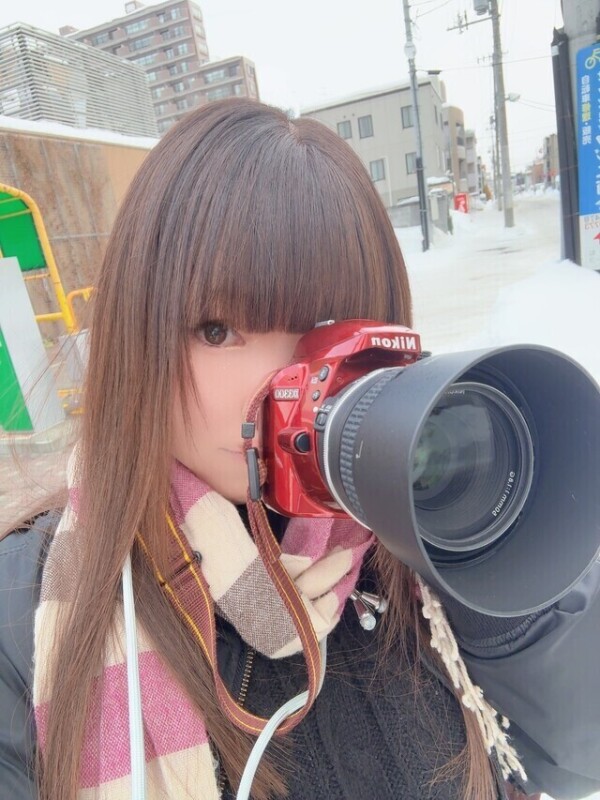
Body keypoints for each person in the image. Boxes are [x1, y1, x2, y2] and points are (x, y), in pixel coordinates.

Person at [1, 98, 599, 800]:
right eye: (217, 331)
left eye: (326, 334)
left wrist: (495, 564)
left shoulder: (421, 532)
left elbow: (575, 754)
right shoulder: (30, 611)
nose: (273, 388)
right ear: (140, 332)